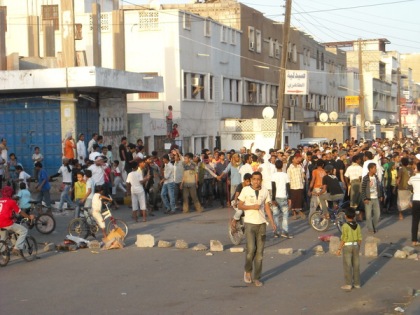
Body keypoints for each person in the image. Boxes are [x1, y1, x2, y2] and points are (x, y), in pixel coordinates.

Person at [238, 171, 276, 287]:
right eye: (254, 179)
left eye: (258, 179)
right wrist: (251, 207)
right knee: (251, 250)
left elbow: (267, 207)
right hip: (250, 223)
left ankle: (257, 277)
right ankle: (248, 271)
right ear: (251, 180)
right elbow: (240, 205)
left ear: (261, 180)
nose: (256, 181)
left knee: (259, 253)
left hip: (262, 224)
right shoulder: (245, 190)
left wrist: (272, 221)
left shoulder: (265, 191)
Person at [0, 186, 35, 256]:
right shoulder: (11, 202)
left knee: (3, 238)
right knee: (24, 231)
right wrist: (29, 217)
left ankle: (4, 257)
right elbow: (20, 212)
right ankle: (16, 248)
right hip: (7, 223)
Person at [336, 208, 362, 291]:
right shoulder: (357, 225)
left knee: (347, 265)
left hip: (347, 246)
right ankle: (357, 283)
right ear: (354, 216)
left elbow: (344, 238)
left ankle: (348, 284)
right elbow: (360, 238)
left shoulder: (345, 226)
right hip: (356, 246)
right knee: (356, 265)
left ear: (346, 216)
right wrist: (358, 247)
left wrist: (339, 249)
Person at [271, 160, 293, 239]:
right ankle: (285, 231)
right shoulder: (285, 175)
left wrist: (273, 199)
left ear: (275, 166)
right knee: (285, 215)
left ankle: (276, 232)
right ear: (282, 166)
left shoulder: (273, 175)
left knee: (276, 215)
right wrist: (289, 198)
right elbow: (288, 187)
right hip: (284, 196)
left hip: (276, 197)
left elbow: (273, 188)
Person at [361, 163, 383, 234]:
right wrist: (365, 198)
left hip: (376, 197)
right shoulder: (366, 178)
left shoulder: (376, 177)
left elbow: (379, 187)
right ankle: (370, 229)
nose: (376, 169)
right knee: (368, 215)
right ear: (370, 169)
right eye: (374, 168)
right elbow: (363, 189)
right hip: (368, 198)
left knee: (377, 214)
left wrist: (380, 195)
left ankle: (372, 226)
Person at [287, 154, 306, 220]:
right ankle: (294, 214)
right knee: (294, 200)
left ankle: (299, 211)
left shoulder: (300, 166)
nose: (297, 160)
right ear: (292, 160)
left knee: (300, 200)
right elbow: (288, 179)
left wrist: (303, 181)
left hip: (300, 185)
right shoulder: (289, 168)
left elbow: (302, 175)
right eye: (296, 158)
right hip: (293, 186)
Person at [408, 162, 420, 246]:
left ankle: (414, 240)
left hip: (415, 200)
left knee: (415, 221)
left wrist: (413, 174)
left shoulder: (412, 178)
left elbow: (408, 184)